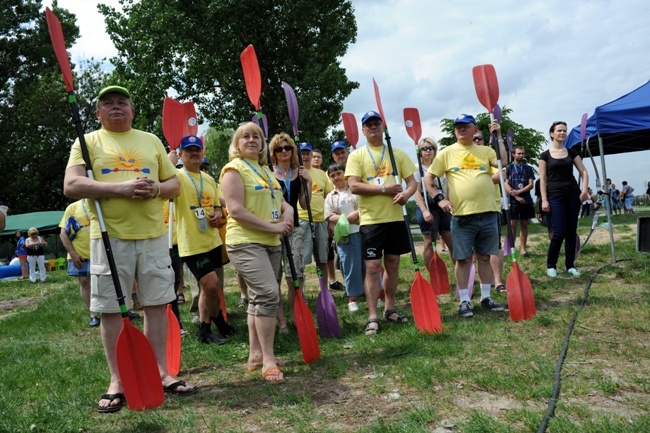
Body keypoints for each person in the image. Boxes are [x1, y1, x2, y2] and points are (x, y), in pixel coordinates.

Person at [64, 85, 197, 413]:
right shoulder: (88, 142)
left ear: (132, 110)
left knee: (156, 305)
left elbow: (175, 185)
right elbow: (72, 185)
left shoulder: (150, 140)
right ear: (98, 113)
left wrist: (155, 189)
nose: (115, 107)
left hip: (152, 236)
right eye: (107, 103)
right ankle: (118, 381)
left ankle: (161, 372)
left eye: (122, 102)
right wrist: (121, 188)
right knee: (110, 309)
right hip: (109, 238)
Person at [220, 121, 293, 383]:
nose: (252, 140)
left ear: (263, 144)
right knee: (268, 295)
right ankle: (269, 361)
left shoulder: (264, 170)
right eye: (245, 137)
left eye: (257, 137)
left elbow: (281, 201)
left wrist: (289, 212)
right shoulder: (233, 170)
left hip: (270, 242)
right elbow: (236, 211)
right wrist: (273, 227)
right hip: (246, 241)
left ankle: (255, 356)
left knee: (257, 298)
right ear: (237, 144)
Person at [424, 114, 507, 317]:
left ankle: (486, 297)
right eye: (457, 127)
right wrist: (439, 199)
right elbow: (429, 178)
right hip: (462, 216)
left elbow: (503, 161)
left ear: (475, 129)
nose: (461, 129)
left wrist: (499, 135)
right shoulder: (446, 153)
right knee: (462, 260)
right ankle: (464, 301)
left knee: (485, 258)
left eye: (465, 126)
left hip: (488, 213)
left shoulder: (486, 150)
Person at [345, 110, 417, 335]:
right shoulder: (357, 156)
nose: (373, 127)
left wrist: (406, 195)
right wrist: (384, 189)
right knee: (373, 267)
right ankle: (372, 315)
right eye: (369, 125)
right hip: (372, 220)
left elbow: (412, 183)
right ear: (363, 130)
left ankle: (390, 308)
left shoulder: (397, 153)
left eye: (377, 123)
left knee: (393, 263)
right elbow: (354, 186)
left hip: (396, 218)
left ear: (383, 127)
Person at [168, 135, 234, 344]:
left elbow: (216, 203)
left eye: (197, 149)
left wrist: (216, 212)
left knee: (210, 287)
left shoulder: (208, 179)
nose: (194, 153)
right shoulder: (176, 176)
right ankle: (219, 322)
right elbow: (162, 177)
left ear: (202, 153)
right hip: (191, 243)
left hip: (212, 240)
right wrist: (169, 161)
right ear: (181, 155)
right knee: (211, 285)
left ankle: (205, 330)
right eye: (189, 150)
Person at [269, 132, 311, 331]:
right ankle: (281, 322)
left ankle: (296, 316)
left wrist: (308, 183)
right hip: (273, 229)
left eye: (287, 148)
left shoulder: (298, 173)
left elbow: (304, 204)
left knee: (295, 275)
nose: (284, 151)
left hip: (293, 229)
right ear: (273, 153)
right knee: (275, 278)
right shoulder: (268, 174)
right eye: (279, 149)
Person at [539, 121, 589, 277]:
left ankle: (570, 265)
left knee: (571, 232)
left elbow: (584, 172)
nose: (562, 133)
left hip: (573, 195)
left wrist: (584, 190)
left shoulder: (572, 152)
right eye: (559, 130)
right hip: (555, 196)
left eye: (564, 131)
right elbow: (542, 179)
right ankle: (551, 265)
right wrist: (544, 200)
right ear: (552, 133)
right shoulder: (545, 155)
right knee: (558, 232)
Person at [325, 163, 364, 312]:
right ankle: (352, 298)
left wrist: (357, 214)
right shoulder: (330, 196)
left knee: (368, 264)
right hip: (344, 236)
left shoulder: (355, 189)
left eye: (339, 173)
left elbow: (365, 206)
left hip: (362, 231)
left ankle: (376, 294)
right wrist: (346, 218)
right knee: (349, 265)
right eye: (332, 176)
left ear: (345, 173)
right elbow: (328, 215)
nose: (336, 177)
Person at [297, 142, 336, 290]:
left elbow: (329, 197)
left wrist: (331, 221)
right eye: (302, 153)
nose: (305, 156)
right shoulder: (294, 172)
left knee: (322, 259)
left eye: (308, 153)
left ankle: (324, 292)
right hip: (302, 220)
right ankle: (301, 294)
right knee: (301, 260)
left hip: (321, 220)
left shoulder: (321, 174)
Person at [412, 137, 453, 273]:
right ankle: (433, 275)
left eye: (431, 148)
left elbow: (447, 187)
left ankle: (463, 274)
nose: (428, 151)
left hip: (443, 208)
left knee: (452, 242)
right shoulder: (417, 168)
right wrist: (424, 211)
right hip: (427, 207)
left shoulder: (440, 165)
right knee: (429, 242)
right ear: (420, 151)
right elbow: (416, 192)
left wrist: (450, 203)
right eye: (424, 148)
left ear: (435, 151)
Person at [473, 131, 506, 294]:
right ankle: (482, 280)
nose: (477, 141)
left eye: (480, 138)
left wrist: (474, 180)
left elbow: (500, 173)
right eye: (474, 139)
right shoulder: (463, 157)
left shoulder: (489, 154)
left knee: (495, 245)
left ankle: (498, 280)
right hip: (469, 209)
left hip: (491, 207)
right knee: (475, 250)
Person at [59, 200, 100, 327]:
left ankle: (118, 311)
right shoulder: (72, 208)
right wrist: (73, 253)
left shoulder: (101, 202)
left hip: (101, 251)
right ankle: (93, 314)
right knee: (85, 281)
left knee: (106, 283)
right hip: (80, 253)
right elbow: (63, 234)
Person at [505, 145, 536, 256]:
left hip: (526, 199)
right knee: (513, 224)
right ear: (513, 154)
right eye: (519, 153)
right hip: (513, 200)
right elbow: (506, 183)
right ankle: (511, 249)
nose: (521, 155)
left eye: (523, 153)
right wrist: (515, 194)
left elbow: (531, 184)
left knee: (524, 223)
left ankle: (523, 249)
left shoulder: (528, 168)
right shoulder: (509, 168)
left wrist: (519, 192)